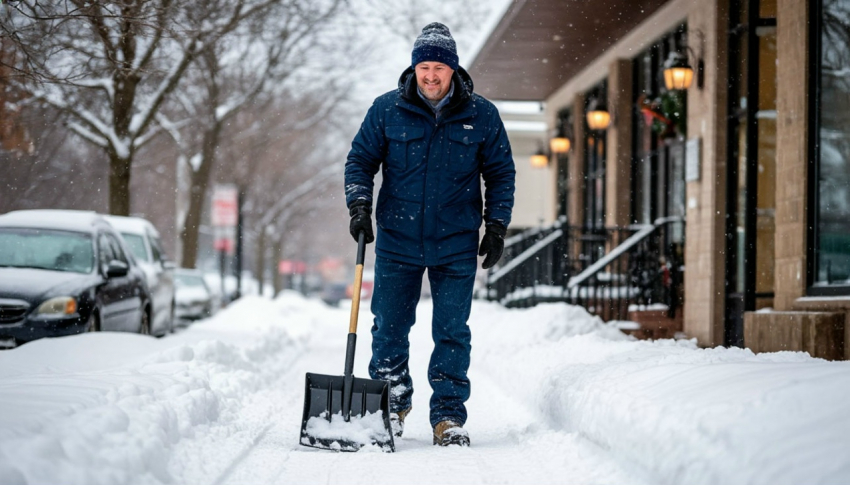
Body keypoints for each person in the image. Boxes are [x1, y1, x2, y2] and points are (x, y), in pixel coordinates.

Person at [344, 22, 515, 447]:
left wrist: (496, 225)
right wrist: (359, 205)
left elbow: (501, 174)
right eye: (425, 67)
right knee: (389, 328)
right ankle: (391, 406)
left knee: (452, 331)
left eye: (439, 67)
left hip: (456, 242)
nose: (431, 76)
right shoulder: (387, 110)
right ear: (414, 68)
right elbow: (360, 161)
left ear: (453, 69)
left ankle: (448, 417)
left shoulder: (481, 115)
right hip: (397, 239)